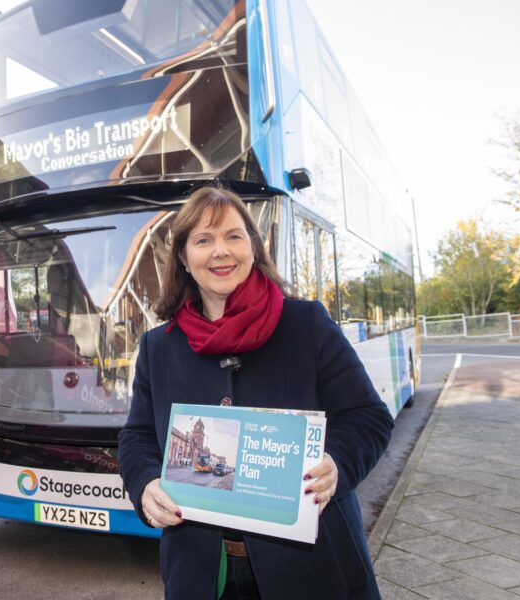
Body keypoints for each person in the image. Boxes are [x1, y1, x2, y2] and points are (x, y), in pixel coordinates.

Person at [118, 187, 393, 600]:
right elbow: (137, 435)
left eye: (233, 236)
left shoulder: (306, 324)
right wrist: (144, 484)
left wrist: (338, 462)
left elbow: (369, 416)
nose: (220, 252)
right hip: (202, 572)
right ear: (183, 259)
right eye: (203, 240)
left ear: (253, 247)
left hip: (314, 567)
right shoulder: (160, 347)